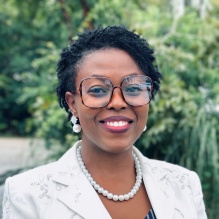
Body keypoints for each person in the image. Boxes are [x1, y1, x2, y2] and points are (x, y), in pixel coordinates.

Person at [2, 26, 207, 219]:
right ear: (73, 103)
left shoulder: (184, 184)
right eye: (97, 90)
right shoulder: (28, 194)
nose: (117, 103)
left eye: (134, 88)